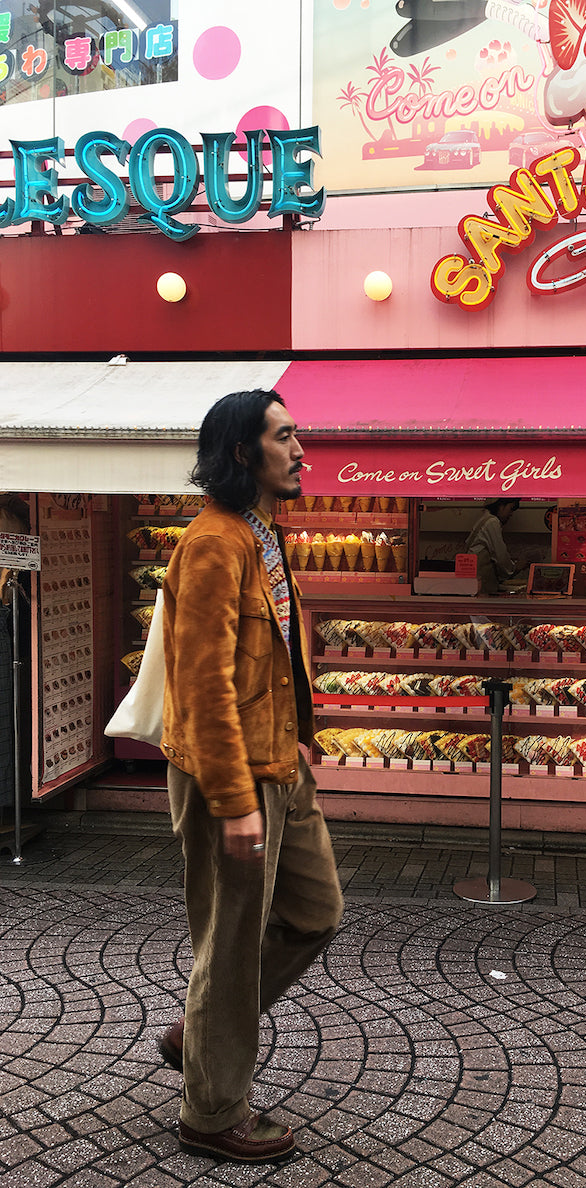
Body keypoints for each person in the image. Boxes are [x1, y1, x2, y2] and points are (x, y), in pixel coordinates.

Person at [157, 390, 344, 1164]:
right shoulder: (213, 544)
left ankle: (203, 1032)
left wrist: (300, 738)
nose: (301, 449)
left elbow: (272, 659)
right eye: (285, 436)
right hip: (226, 775)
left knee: (315, 910)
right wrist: (236, 803)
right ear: (243, 452)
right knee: (232, 943)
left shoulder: (262, 534)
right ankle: (212, 1111)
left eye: (299, 434)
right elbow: (204, 687)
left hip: (277, 761)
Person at [464, 498, 520, 594]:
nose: (511, 514)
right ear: (501, 506)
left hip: (472, 585)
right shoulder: (492, 522)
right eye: (511, 508)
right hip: (481, 588)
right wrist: (516, 567)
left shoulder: (484, 519)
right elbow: (501, 556)